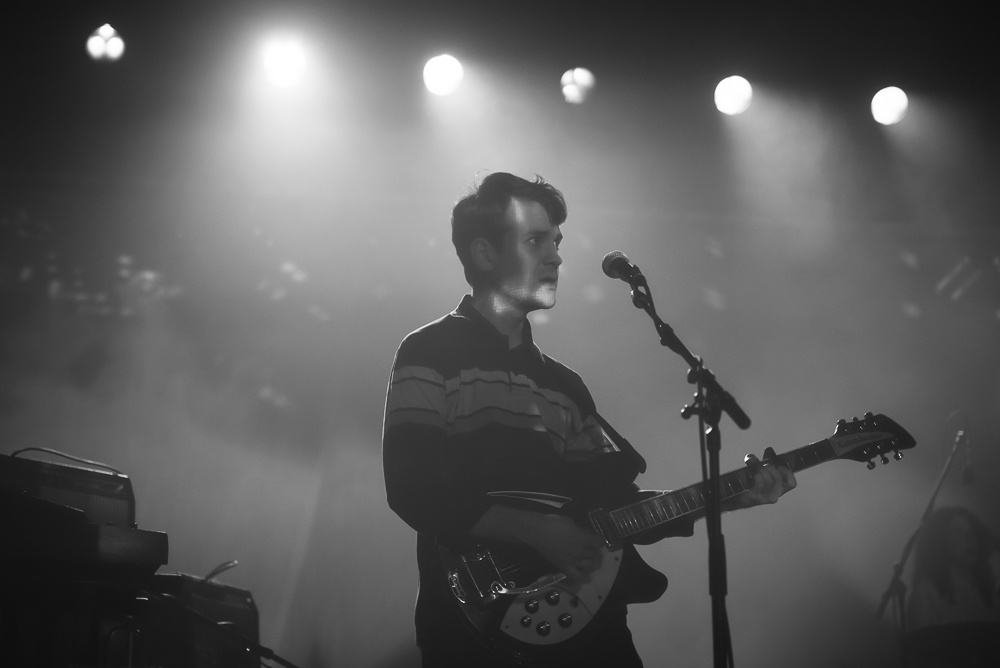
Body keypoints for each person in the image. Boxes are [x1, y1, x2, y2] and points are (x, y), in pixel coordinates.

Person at [382, 172, 796, 667]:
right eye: (535, 240)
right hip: (473, 633)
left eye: (556, 242)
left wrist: (731, 497)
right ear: (485, 254)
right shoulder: (428, 352)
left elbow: (616, 507)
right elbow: (412, 488)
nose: (555, 255)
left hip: (590, 633)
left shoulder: (563, 385)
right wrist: (537, 532)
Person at [906, 506, 999, 667]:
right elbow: (926, 656)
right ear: (940, 540)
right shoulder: (927, 593)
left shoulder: (987, 592)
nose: (970, 538)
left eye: (973, 532)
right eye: (959, 532)